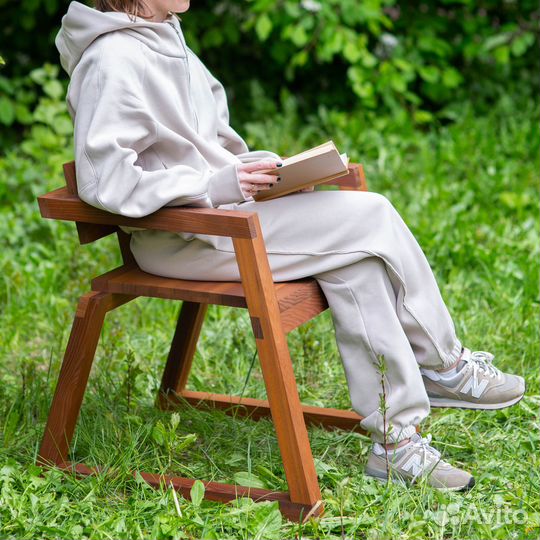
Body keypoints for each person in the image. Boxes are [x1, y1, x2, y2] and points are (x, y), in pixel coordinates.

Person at [55, 0, 525, 491]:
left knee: (358, 263)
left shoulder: (168, 36)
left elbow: (213, 148)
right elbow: (104, 180)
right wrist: (218, 186)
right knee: (374, 213)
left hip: (224, 219)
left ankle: (396, 443)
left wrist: (272, 176)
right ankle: (446, 366)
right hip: (183, 236)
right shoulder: (111, 59)